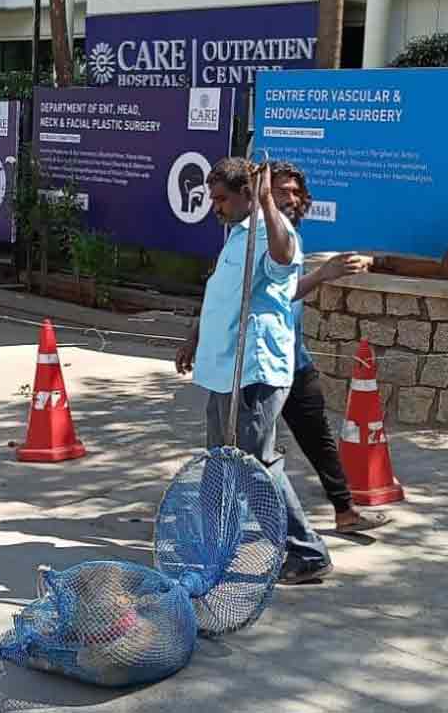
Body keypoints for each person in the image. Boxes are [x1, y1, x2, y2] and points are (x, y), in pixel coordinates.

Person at [174, 156, 332, 584]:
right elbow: (220, 295)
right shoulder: (237, 235)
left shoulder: (272, 232)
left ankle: (306, 551)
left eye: (222, 199)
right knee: (221, 463)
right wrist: (193, 338)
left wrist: (267, 203)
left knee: (255, 466)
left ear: (247, 194)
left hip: (254, 370)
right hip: (223, 368)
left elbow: (283, 258)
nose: (215, 207)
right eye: (213, 199)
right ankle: (217, 547)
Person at [266, 160, 390, 533]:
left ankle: (346, 512)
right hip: (261, 364)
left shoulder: (290, 235)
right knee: (251, 448)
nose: (291, 198)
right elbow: (274, 294)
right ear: (263, 195)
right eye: (281, 191)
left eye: (295, 192)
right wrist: (323, 274)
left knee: (318, 437)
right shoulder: (256, 238)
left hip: (293, 359)